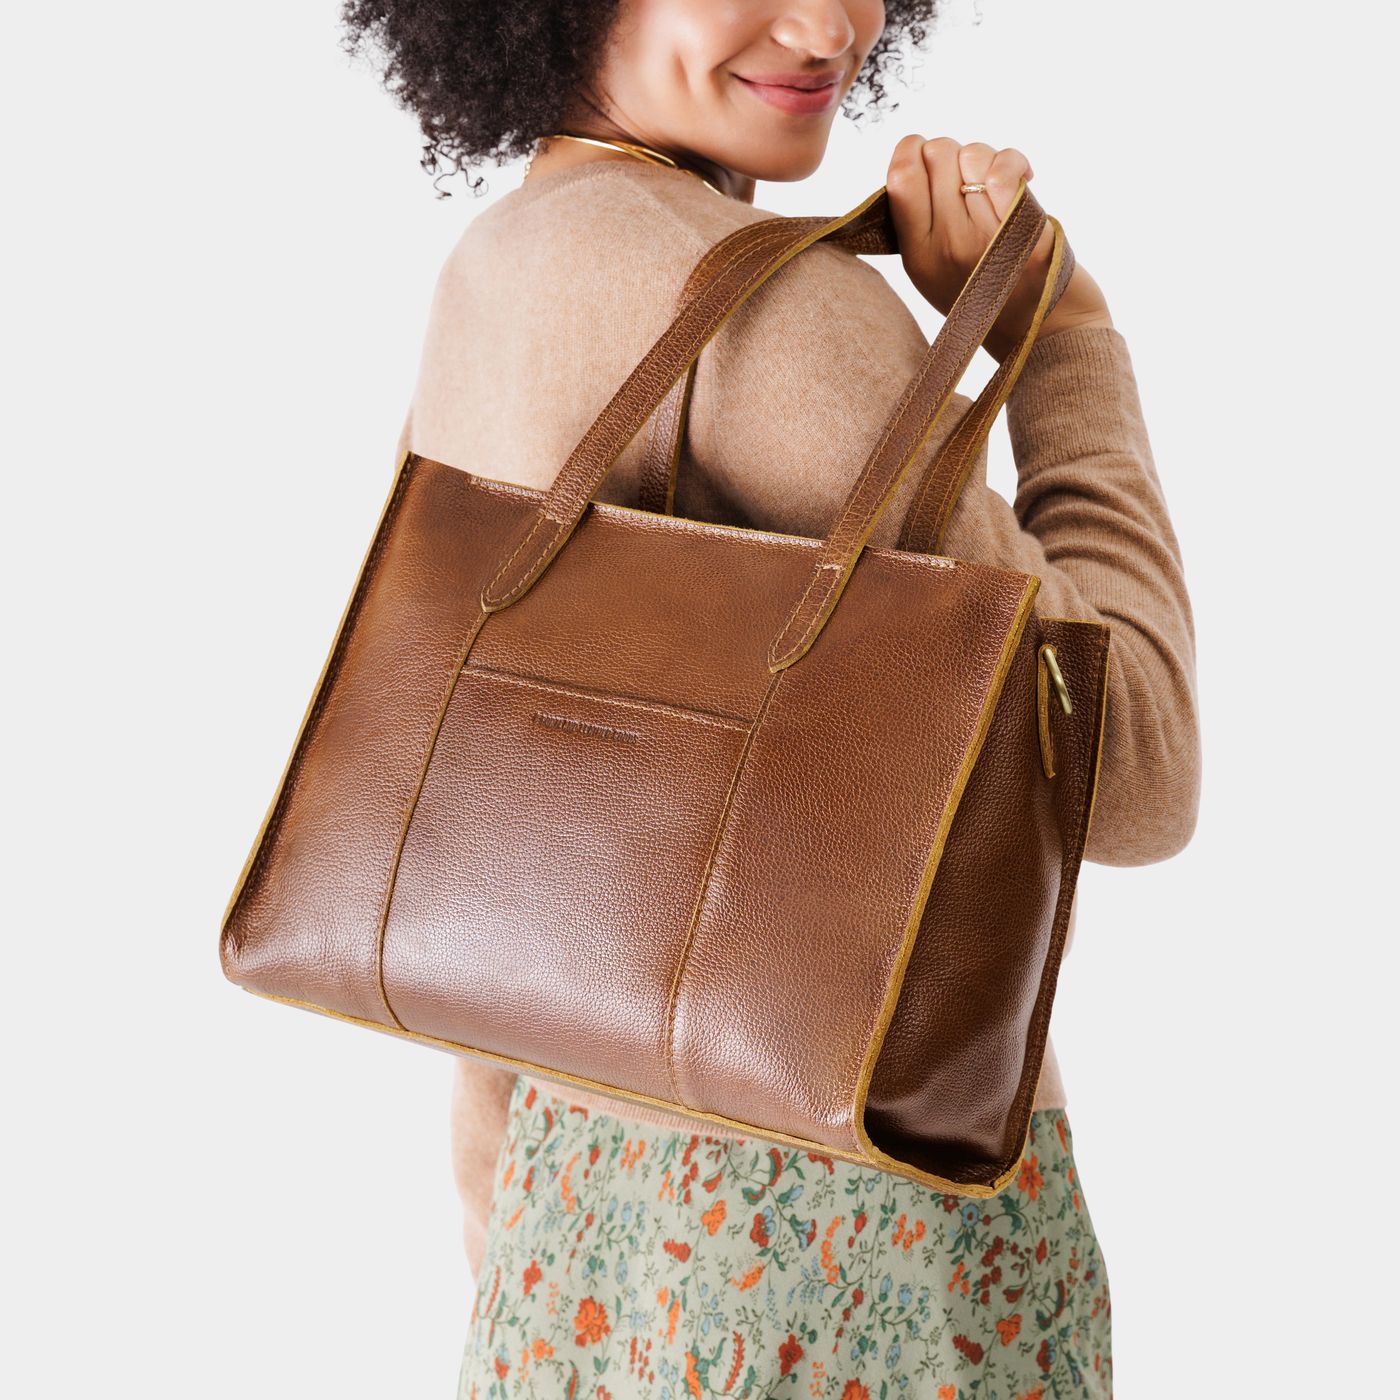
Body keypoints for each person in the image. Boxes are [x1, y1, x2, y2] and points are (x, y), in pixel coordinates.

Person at [343, 2, 1201, 1394]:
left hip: (569, 1231)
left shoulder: (499, 262)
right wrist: (1062, 339)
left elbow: (501, 864)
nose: (826, 23)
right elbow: (1136, 766)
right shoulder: (771, 309)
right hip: (849, 1240)